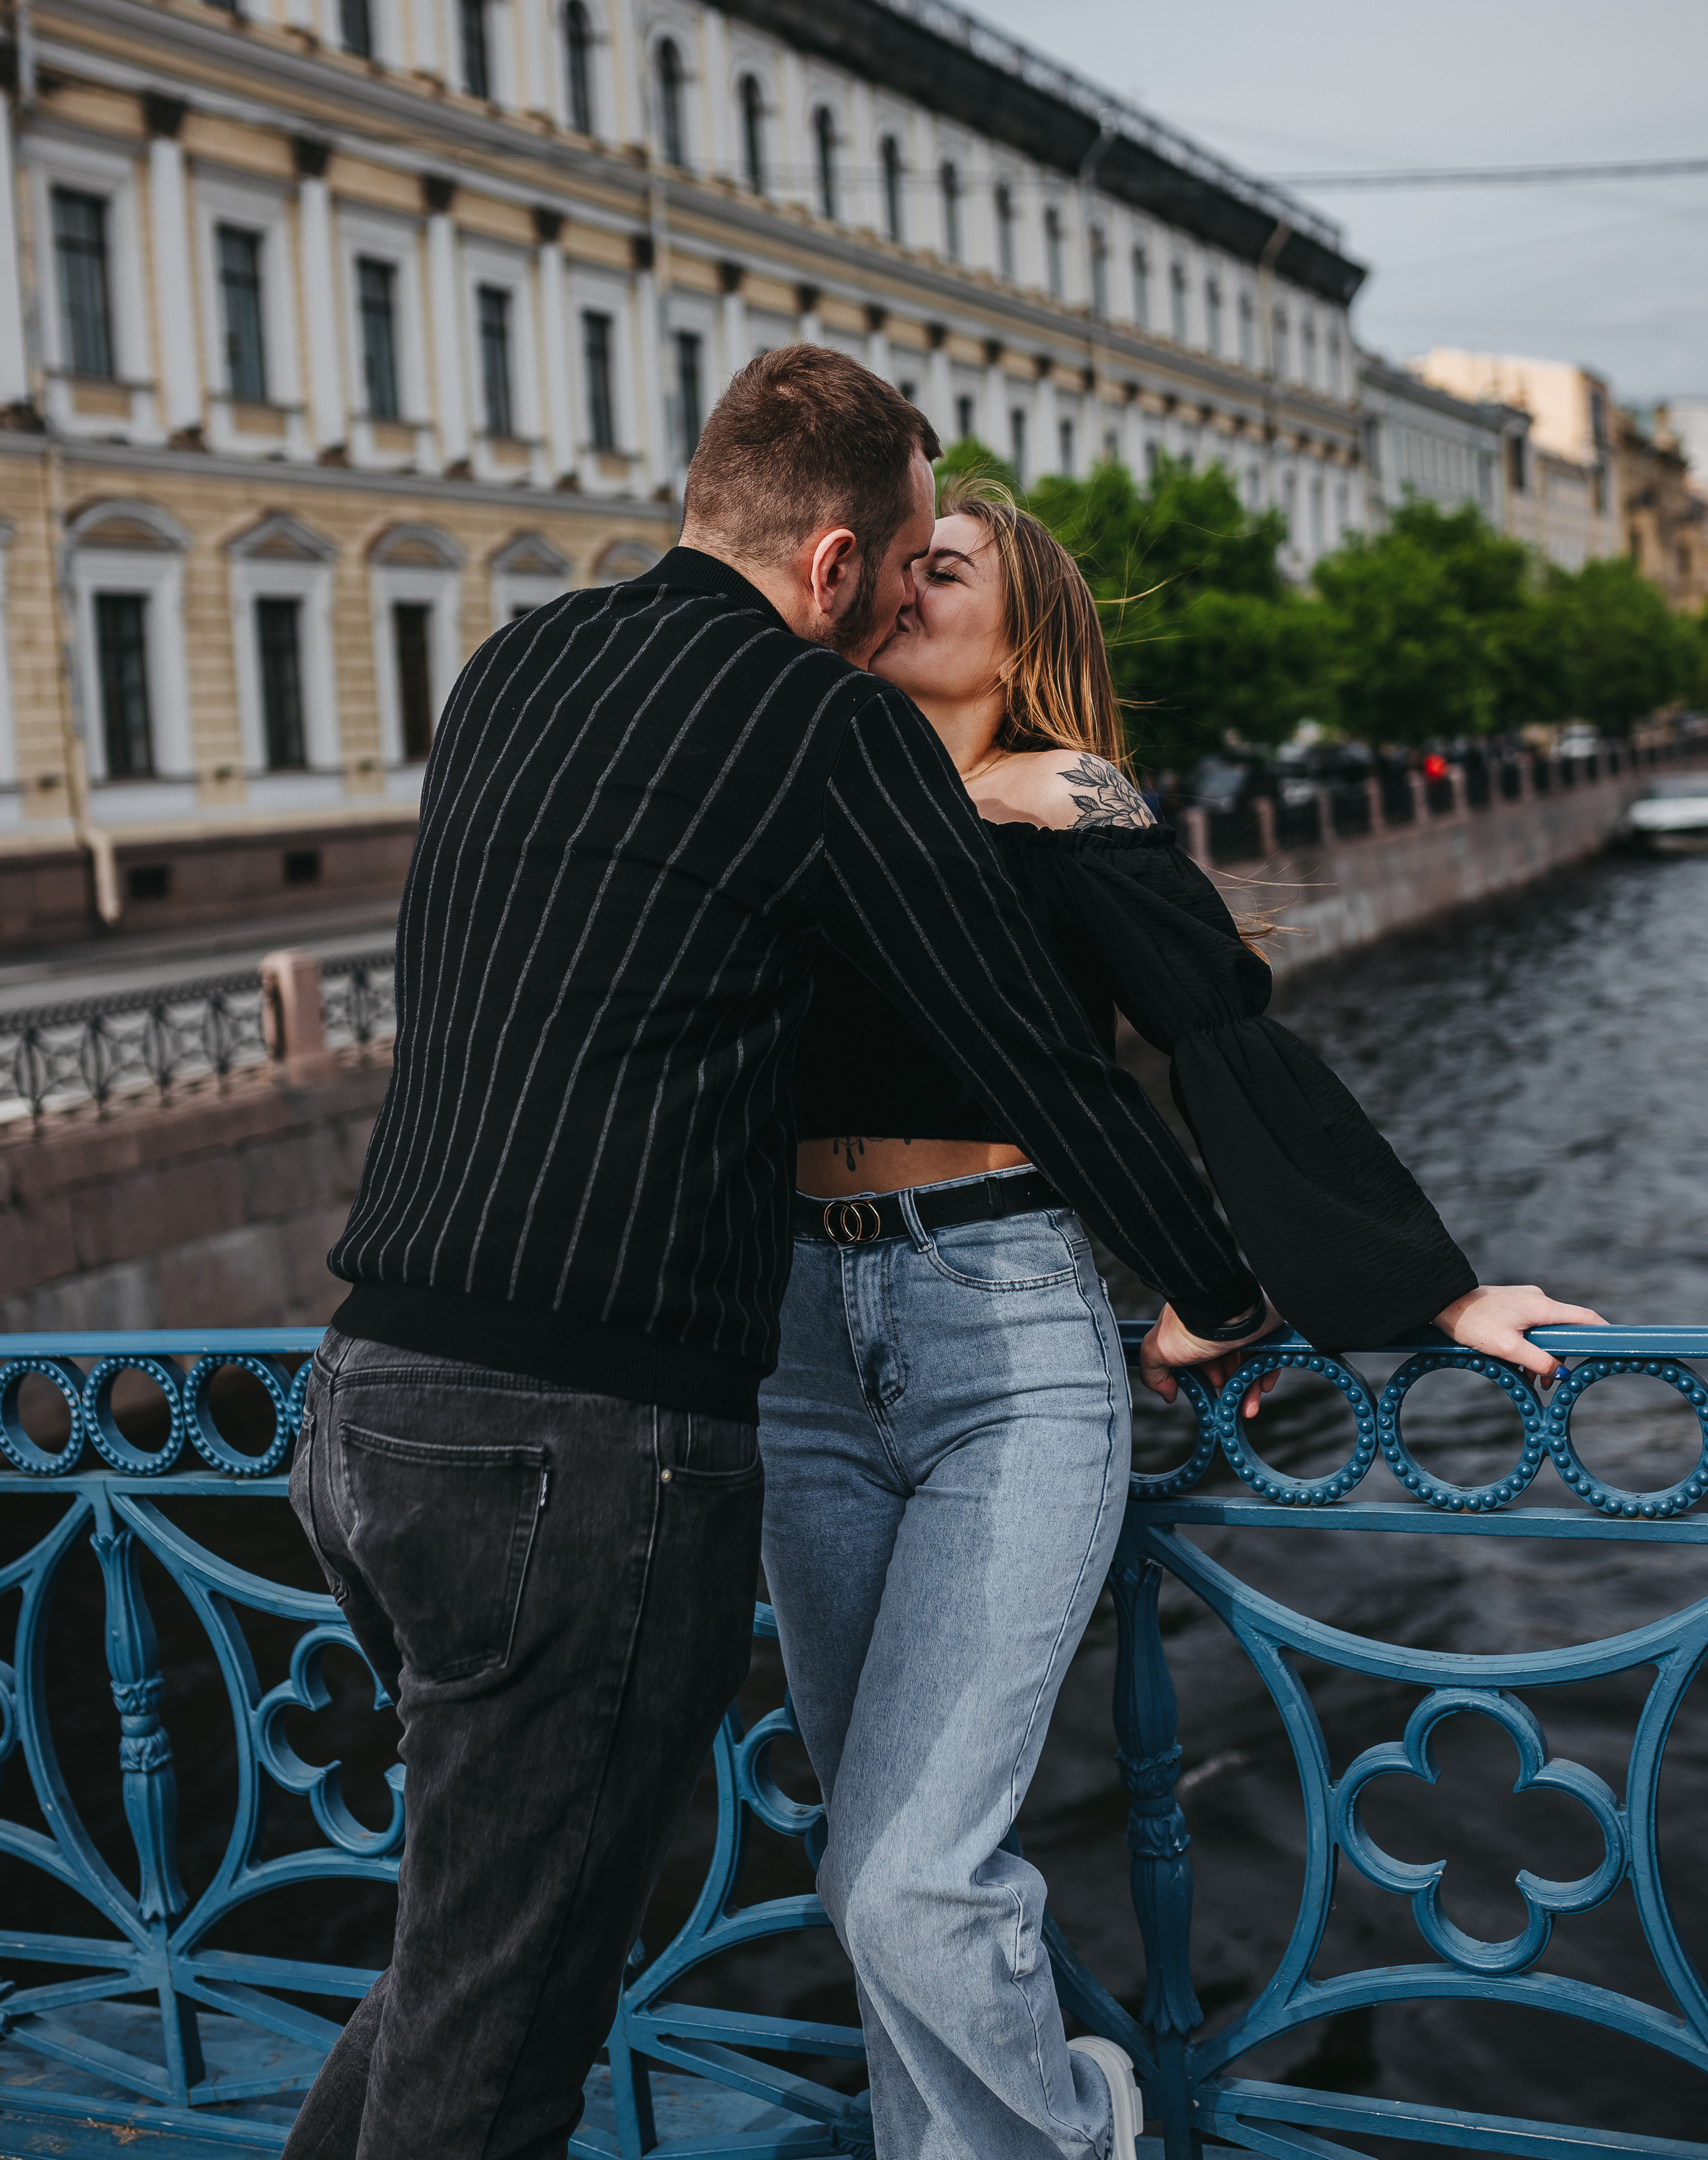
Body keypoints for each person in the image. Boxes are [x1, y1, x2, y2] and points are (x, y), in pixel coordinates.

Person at [284, 350, 1294, 2160]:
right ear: (832, 567)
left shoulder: (514, 667)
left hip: (363, 1407)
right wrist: (1217, 1288)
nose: (914, 596)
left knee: (470, 1944)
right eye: (907, 565)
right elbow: (1038, 1055)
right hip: (582, 1439)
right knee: (500, 2042)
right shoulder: (816, 726)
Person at [759, 481, 1603, 2160]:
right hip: (793, 1343)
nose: (912, 587)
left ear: (1028, 631)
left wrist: (1424, 1281)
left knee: (912, 1873)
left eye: (950, 569)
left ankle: (1078, 2124)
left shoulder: (1055, 794)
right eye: (898, 565)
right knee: (869, 1859)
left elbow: (1217, 1036)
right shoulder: (820, 801)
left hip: (989, 1314)